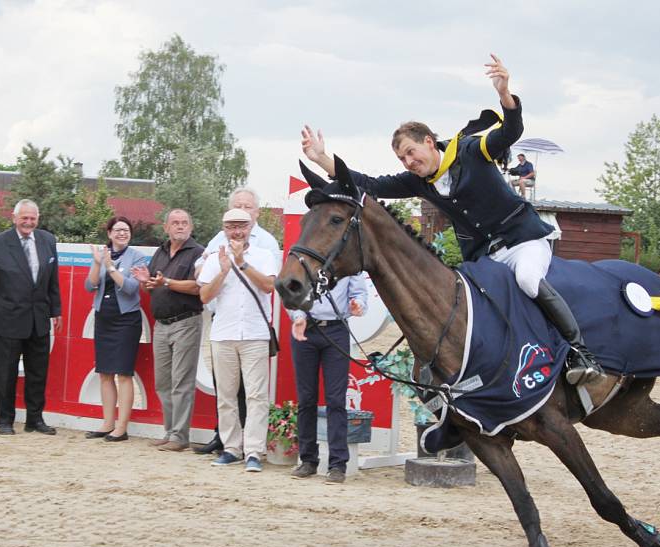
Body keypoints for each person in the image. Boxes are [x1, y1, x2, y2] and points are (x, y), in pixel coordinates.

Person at [301, 53, 604, 387]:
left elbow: (511, 132)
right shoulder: (417, 181)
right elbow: (370, 185)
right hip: (484, 257)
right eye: (402, 158)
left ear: (429, 142)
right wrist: (321, 159)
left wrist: (505, 95)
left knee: (529, 281)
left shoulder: (472, 150)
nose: (408, 162)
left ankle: (580, 352)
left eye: (411, 153)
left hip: (522, 240)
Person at [194, 187, 282, 455]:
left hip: (254, 328)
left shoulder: (266, 245)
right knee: (226, 392)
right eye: (232, 222)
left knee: (254, 393)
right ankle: (227, 443)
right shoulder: (216, 242)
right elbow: (202, 277)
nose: (237, 228)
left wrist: (242, 262)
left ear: (255, 215)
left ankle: (253, 448)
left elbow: (269, 285)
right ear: (225, 225)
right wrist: (217, 268)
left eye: (247, 209)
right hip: (223, 324)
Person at [0, 199, 62, 436]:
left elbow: (52, 280)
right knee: (6, 373)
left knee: (38, 373)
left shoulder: (48, 240)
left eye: (32, 218)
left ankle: (35, 420)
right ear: (14, 218)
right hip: (8, 319)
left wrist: (56, 311)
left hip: (39, 318)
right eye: (24, 218)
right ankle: (5, 420)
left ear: (37, 219)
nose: (28, 222)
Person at [132, 209, 203, 452]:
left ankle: (180, 436)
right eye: (175, 223)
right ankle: (170, 431)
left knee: (181, 382)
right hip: (161, 324)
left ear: (191, 228)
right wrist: (147, 283)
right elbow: (152, 287)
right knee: (163, 382)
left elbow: (197, 287)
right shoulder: (160, 252)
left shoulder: (198, 253)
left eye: (184, 223)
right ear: (166, 227)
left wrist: (165, 282)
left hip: (186, 322)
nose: (180, 226)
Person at [288, 275, 367, 484]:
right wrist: (298, 315)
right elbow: (291, 290)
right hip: (306, 327)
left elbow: (359, 294)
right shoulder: (305, 257)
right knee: (306, 398)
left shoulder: (348, 262)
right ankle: (308, 460)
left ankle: (337, 464)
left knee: (336, 400)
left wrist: (358, 305)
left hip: (336, 329)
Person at [84, 216, 147, 442]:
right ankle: (107, 422)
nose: (122, 233)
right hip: (104, 318)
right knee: (105, 373)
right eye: (118, 230)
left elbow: (130, 288)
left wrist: (110, 267)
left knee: (124, 373)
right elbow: (89, 285)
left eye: (126, 230)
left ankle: (121, 427)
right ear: (109, 233)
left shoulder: (136, 256)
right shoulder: (101, 254)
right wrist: (99, 263)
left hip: (126, 320)